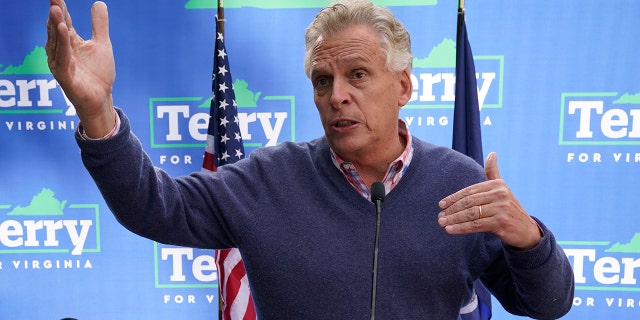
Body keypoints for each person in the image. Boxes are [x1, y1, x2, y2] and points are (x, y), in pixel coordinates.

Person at [46, 0, 574, 318]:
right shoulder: (268, 180)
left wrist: (529, 239)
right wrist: (98, 112)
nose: (337, 95)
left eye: (358, 75)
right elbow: (152, 207)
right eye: (323, 81)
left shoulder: (459, 182)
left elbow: (549, 304)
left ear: (405, 86)